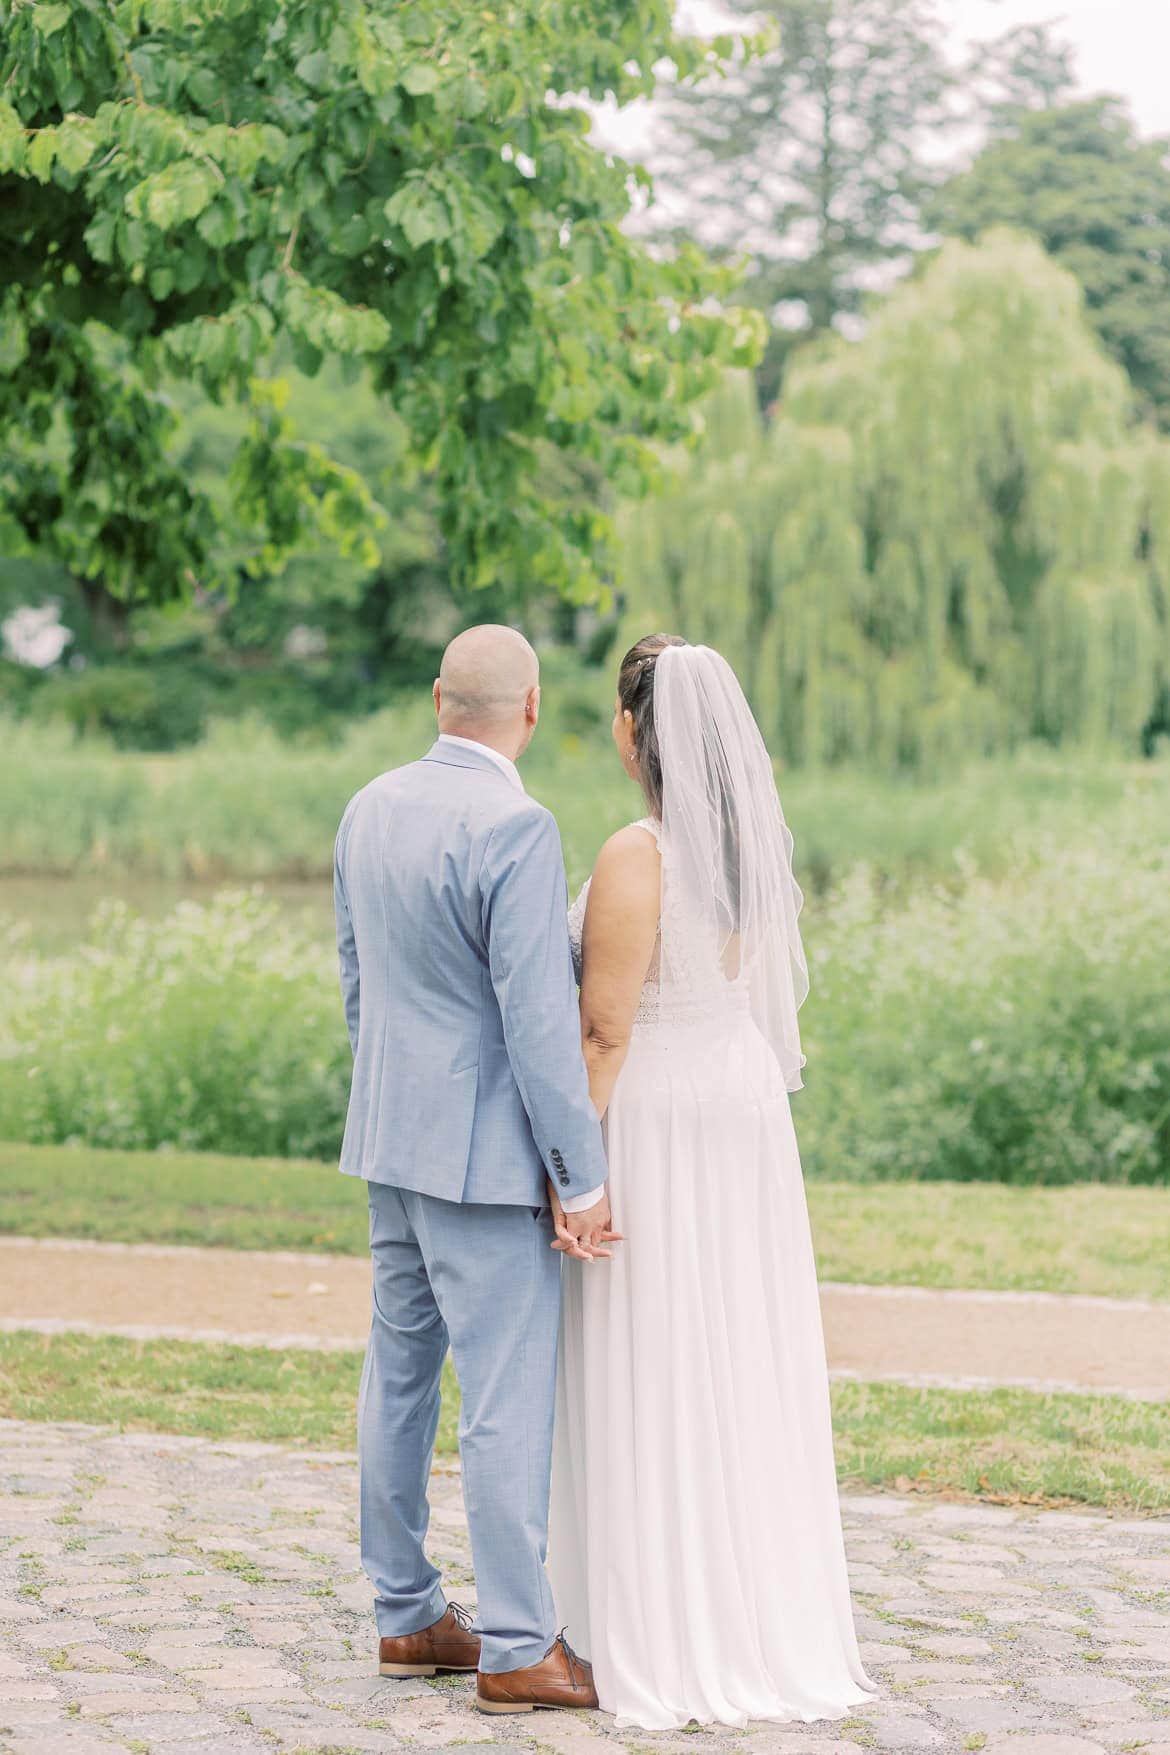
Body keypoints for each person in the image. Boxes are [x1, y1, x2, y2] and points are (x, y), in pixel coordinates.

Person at [548, 634, 879, 1730]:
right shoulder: (742, 843)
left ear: (632, 733)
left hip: (661, 1109)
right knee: (733, 1347)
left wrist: (572, 1176)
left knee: (658, 1343)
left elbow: (603, 1028)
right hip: (737, 1105)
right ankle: (750, 1607)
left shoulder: (640, 853)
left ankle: (656, 1621)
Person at [333, 624, 616, 1715]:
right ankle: (516, 1645)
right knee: (502, 1398)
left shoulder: (369, 805)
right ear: (532, 709)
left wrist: (388, 1103)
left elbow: (358, 981)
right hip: (486, 1162)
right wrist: (580, 1177)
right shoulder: (518, 824)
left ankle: (406, 1616)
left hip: (391, 1139)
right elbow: (539, 1024)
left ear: (437, 699)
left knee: (397, 1374)